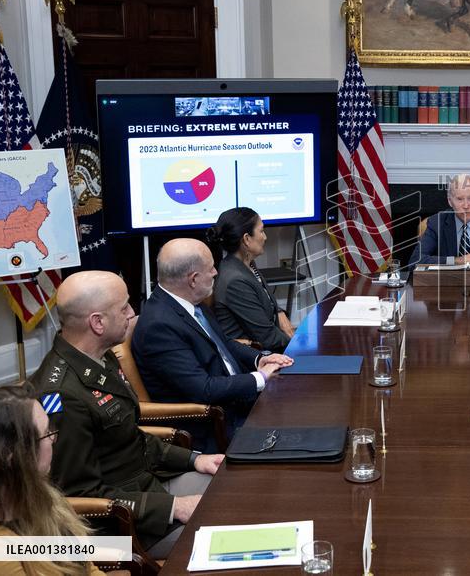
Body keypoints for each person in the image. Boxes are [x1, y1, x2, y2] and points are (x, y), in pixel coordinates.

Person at [28, 271, 223, 560]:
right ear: (97, 322)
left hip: (147, 483)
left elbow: (128, 435)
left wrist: (195, 458)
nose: (133, 314)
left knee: (236, 488)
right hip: (124, 526)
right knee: (227, 529)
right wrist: (173, 507)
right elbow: (81, 496)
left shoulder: (99, 356)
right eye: (124, 308)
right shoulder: (63, 395)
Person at [131, 239, 293, 448]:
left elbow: (223, 344)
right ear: (194, 279)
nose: (216, 272)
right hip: (216, 425)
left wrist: (260, 358)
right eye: (211, 268)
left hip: (237, 401)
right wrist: (260, 378)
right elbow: (203, 389)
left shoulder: (190, 302)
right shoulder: (159, 326)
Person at [0, 385, 105, 576]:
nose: (53, 440)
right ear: (12, 455)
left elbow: (86, 568)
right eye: (46, 433)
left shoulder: (44, 497)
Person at [207, 207, 294, 353]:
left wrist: (279, 312)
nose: (265, 237)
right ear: (247, 239)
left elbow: (266, 298)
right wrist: (302, 344)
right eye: (261, 231)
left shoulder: (245, 263)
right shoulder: (235, 281)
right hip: (254, 356)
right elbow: (269, 338)